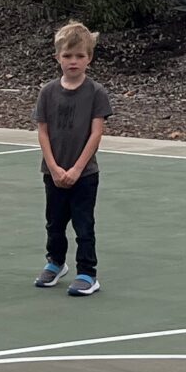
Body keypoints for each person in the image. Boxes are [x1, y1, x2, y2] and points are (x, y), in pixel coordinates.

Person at [34, 21, 111, 296]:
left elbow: (96, 133)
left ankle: (87, 273)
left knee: (84, 225)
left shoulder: (96, 93)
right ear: (57, 57)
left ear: (89, 58)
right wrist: (54, 168)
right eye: (67, 55)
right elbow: (42, 132)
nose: (73, 61)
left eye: (80, 55)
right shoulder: (47, 92)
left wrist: (77, 169)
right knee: (54, 224)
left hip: (85, 175)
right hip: (53, 174)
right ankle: (55, 263)